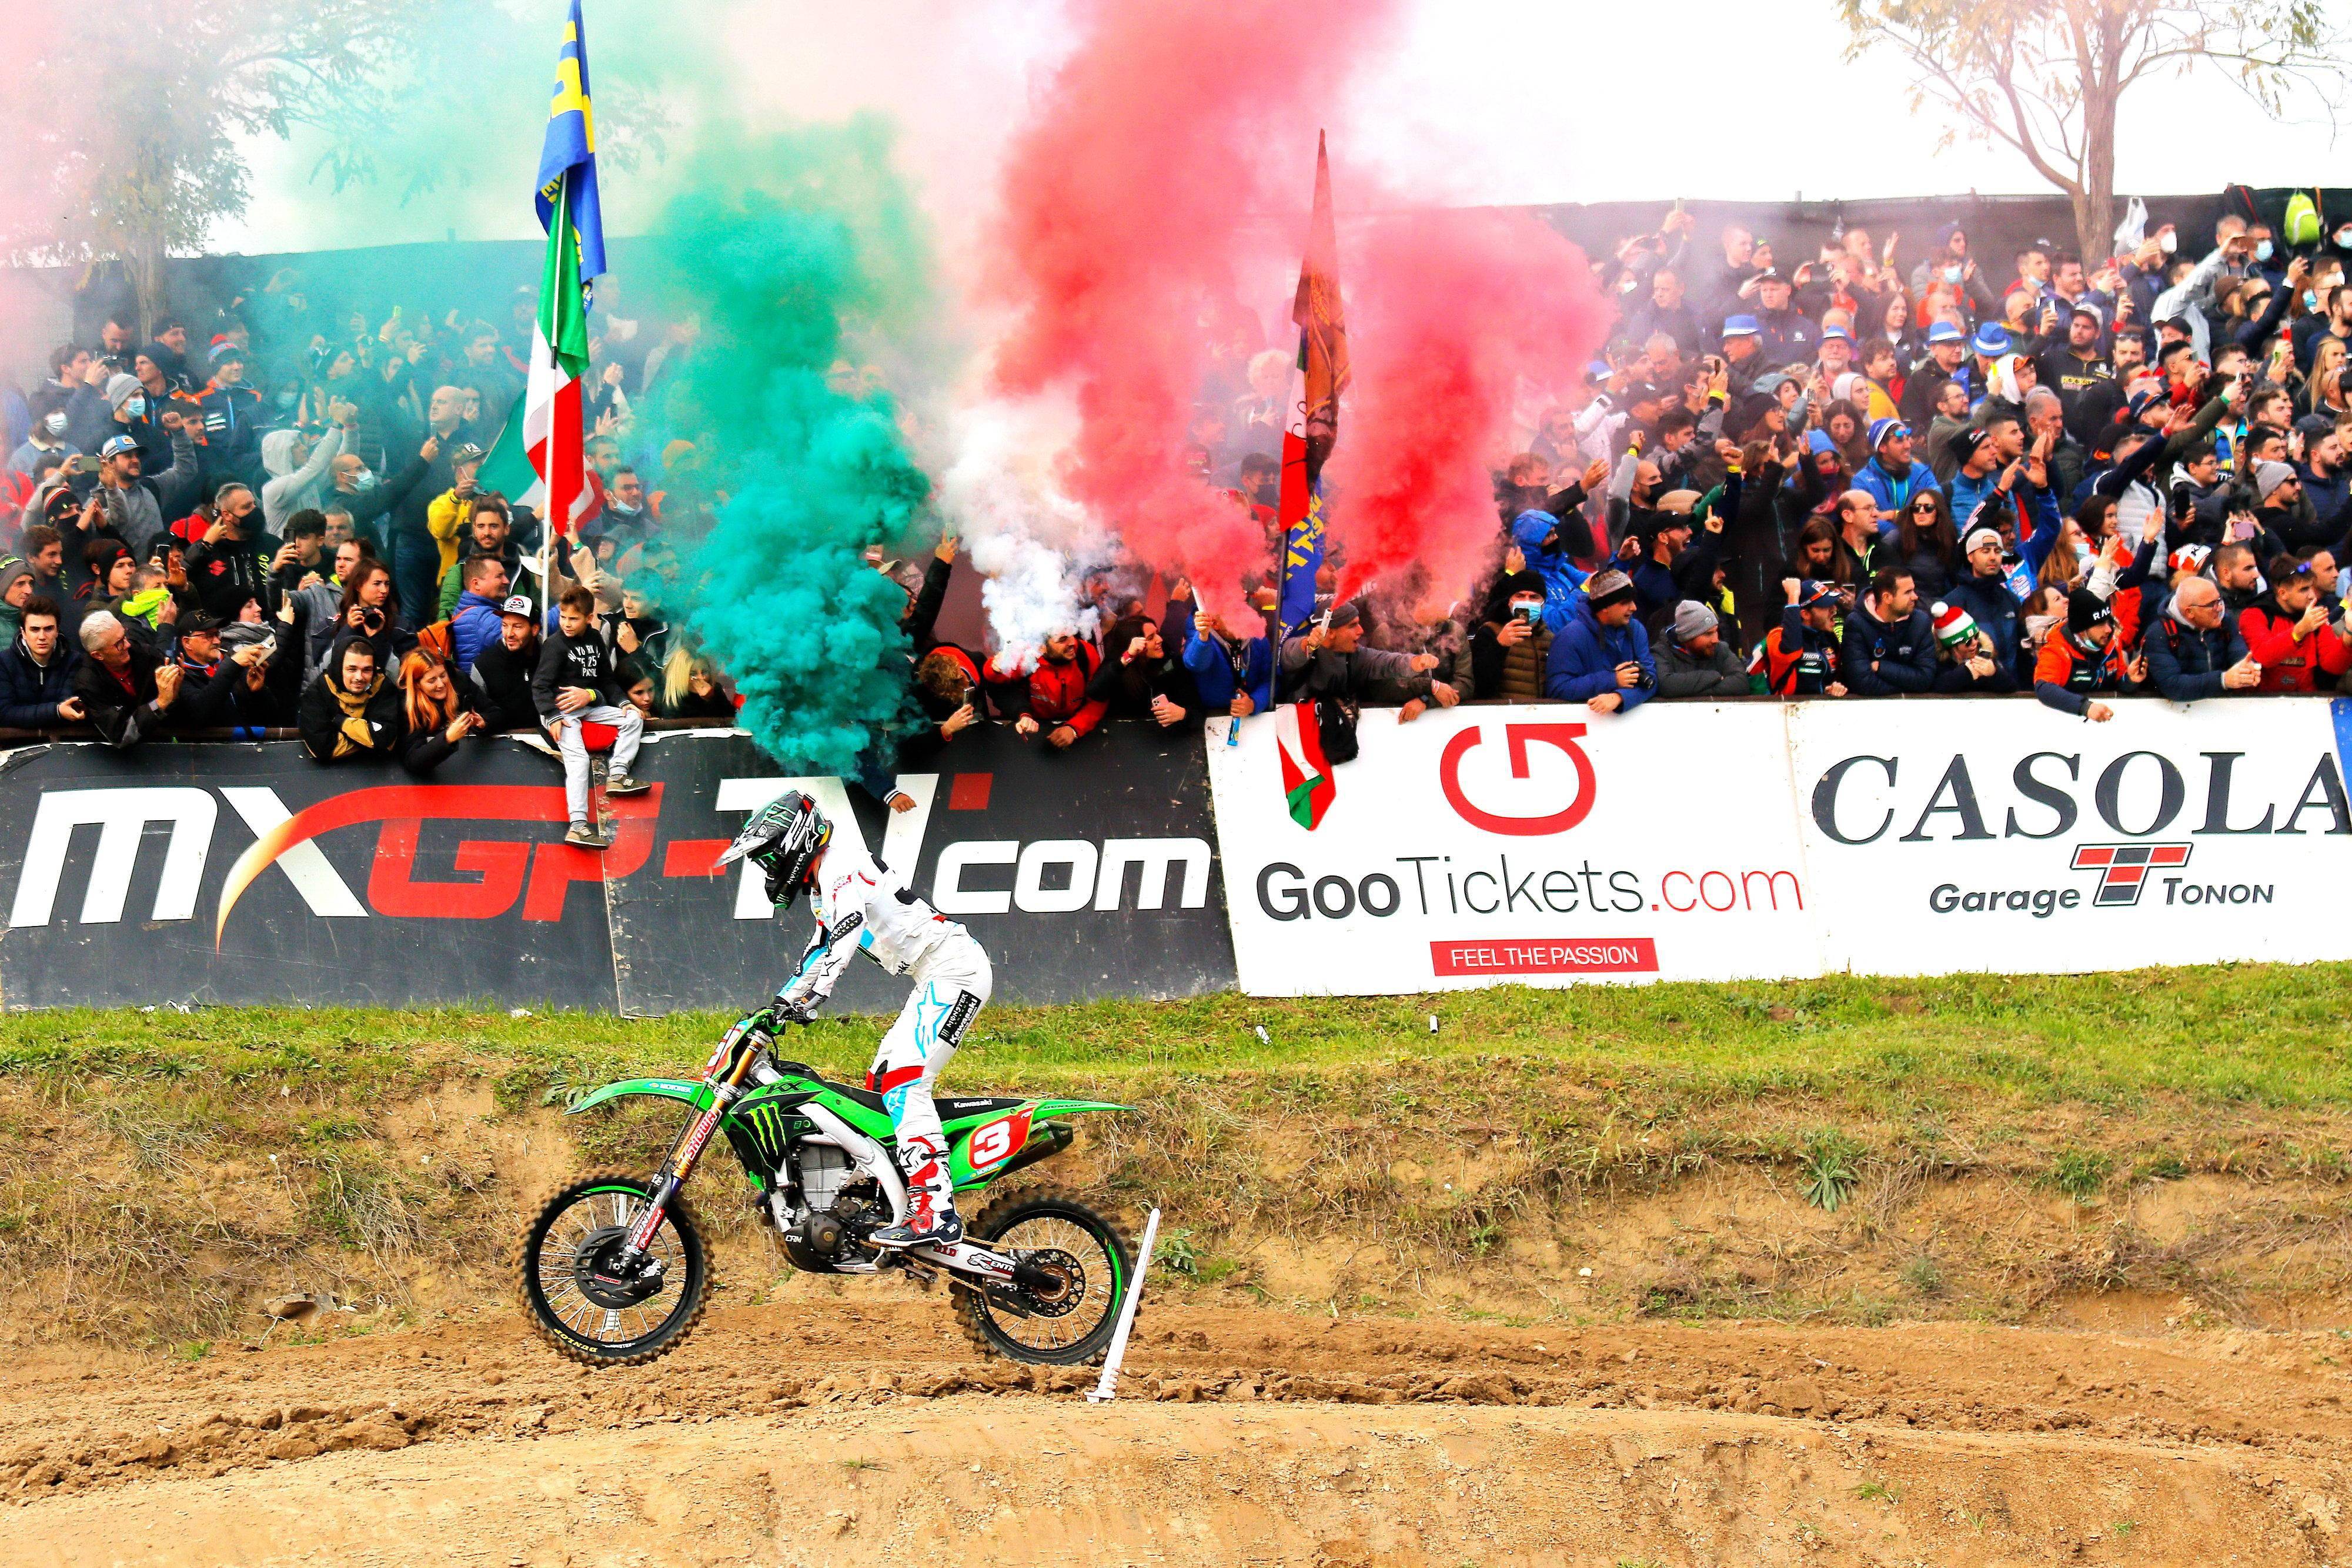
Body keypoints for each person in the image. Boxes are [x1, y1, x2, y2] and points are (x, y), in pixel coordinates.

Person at [720, 790, 993, 1249]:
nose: (768, 868)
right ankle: (893, 1197)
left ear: (794, 842)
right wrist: (777, 1006)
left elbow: (847, 932)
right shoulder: (823, 884)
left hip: (956, 971)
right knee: (879, 1084)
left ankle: (937, 1210)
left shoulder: (841, 865)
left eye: (769, 857)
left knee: (905, 1082)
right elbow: (821, 949)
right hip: (932, 976)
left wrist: (816, 996)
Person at [533, 586, 649, 847]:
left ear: (589, 617)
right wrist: (551, 717)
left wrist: (623, 703)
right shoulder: (554, 645)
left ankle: (617, 775)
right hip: (560, 711)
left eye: (573, 619)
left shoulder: (595, 639)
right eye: (563, 617)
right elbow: (540, 687)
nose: (567, 624)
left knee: (634, 718)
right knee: (579, 760)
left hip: (590, 706)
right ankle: (578, 826)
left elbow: (606, 680)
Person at [1543, 570, 1654, 714]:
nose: (1634, 608)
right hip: (1587, 719)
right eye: (1625, 602)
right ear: (1605, 607)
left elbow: (1652, 679)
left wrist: (1620, 697)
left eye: (1633, 601)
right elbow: (1558, 688)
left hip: (1627, 719)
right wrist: (1612, 680)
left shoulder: (1636, 629)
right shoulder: (1570, 636)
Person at [2237, 559, 2352, 693]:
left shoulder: (2315, 615)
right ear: (2283, 593)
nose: (2312, 596)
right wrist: (2300, 630)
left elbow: (2333, 666)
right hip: (2261, 698)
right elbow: (2264, 656)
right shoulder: (2254, 615)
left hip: (2307, 697)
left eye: (2311, 588)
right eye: (2304, 590)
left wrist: (2349, 634)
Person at [71, 609, 181, 748]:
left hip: (163, 746)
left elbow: (177, 712)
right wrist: (159, 704)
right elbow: (121, 734)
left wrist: (175, 693)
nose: (128, 645)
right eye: (119, 644)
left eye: (125, 636)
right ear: (98, 655)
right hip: (114, 757)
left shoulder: (145, 655)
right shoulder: (88, 682)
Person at [2144, 576, 2260, 701]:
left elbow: (2239, 653)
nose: (2220, 608)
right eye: (2212, 605)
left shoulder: (2224, 622)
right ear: (2190, 612)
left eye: (2219, 600)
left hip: (2220, 707)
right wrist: (2223, 680)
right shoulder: (2159, 634)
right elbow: (2173, 686)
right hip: (2173, 710)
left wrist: (2246, 670)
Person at [2033, 587, 2143, 720]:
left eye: (2108, 622)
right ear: (2082, 631)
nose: (2108, 630)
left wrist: (2130, 679)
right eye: (2100, 625)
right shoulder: (2057, 650)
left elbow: (2120, 683)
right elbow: (2044, 688)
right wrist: (2085, 707)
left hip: (2105, 719)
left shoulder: (2112, 643)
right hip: (2067, 721)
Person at [300, 637, 405, 764]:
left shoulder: (384, 687)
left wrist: (340, 721)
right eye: (352, 669)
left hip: (378, 770)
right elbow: (323, 748)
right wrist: (369, 741)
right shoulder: (318, 691)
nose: (359, 677)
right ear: (339, 668)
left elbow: (386, 739)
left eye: (367, 670)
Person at [1085, 613, 1198, 728]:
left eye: (1157, 633)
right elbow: (1095, 693)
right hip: (1126, 735)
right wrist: (1126, 659)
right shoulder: (1118, 666)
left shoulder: (1173, 663)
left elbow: (1197, 710)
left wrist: (1184, 714)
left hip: (1169, 736)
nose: (1160, 639)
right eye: (1151, 638)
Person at [1839, 569, 1938, 694]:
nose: (1915, 597)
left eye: (1913, 590)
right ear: (1887, 598)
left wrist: (1881, 668)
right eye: (1908, 592)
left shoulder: (1921, 621)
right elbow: (1862, 683)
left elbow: (1925, 679)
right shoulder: (1857, 623)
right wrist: (1908, 687)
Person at [0, 598, 85, 728]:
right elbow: (4, 714)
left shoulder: (73, 661)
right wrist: (56, 711)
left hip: (62, 738)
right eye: (35, 629)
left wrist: (59, 712)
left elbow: (70, 708)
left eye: (49, 629)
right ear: (23, 632)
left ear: (57, 630)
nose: (42, 637)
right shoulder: (4, 662)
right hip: (15, 741)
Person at [398, 649, 487, 773]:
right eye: (432, 681)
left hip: (471, 762)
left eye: (443, 676)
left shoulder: (459, 682)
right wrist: (448, 738)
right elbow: (413, 760)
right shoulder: (408, 706)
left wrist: (483, 723)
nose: (441, 684)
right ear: (417, 684)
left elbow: (496, 712)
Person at [1761, 579, 1849, 696]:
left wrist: (1829, 689)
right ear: (1806, 614)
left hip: (1822, 706)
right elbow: (1790, 651)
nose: (1834, 610)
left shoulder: (1828, 638)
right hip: (1786, 706)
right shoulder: (1778, 636)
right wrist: (1793, 596)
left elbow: (1838, 676)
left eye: (1833, 604)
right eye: (1826, 606)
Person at [469, 594, 543, 730]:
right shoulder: (484, 665)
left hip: (546, 739)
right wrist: (484, 723)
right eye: (505, 625)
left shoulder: (549, 658)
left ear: (535, 629)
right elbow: (477, 716)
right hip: (499, 741)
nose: (509, 634)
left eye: (517, 627)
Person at [1653, 600, 1748, 698]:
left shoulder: (1721, 649)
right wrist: (1715, 677)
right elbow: (1667, 686)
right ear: (1688, 637)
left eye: (1716, 631)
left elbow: (1741, 683)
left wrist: (1686, 691)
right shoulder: (1661, 653)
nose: (1716, 640)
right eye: (1708, 634)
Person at [1927, 602, 2018, 693]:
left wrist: (1994, 673)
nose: (1975, 643)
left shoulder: (1984, 654)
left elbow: (2011, 687)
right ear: (1953, 646)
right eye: (1968, 642)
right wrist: (1966, 673)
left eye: (1976, 636)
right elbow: (1937, 686)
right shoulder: (1940, 662)